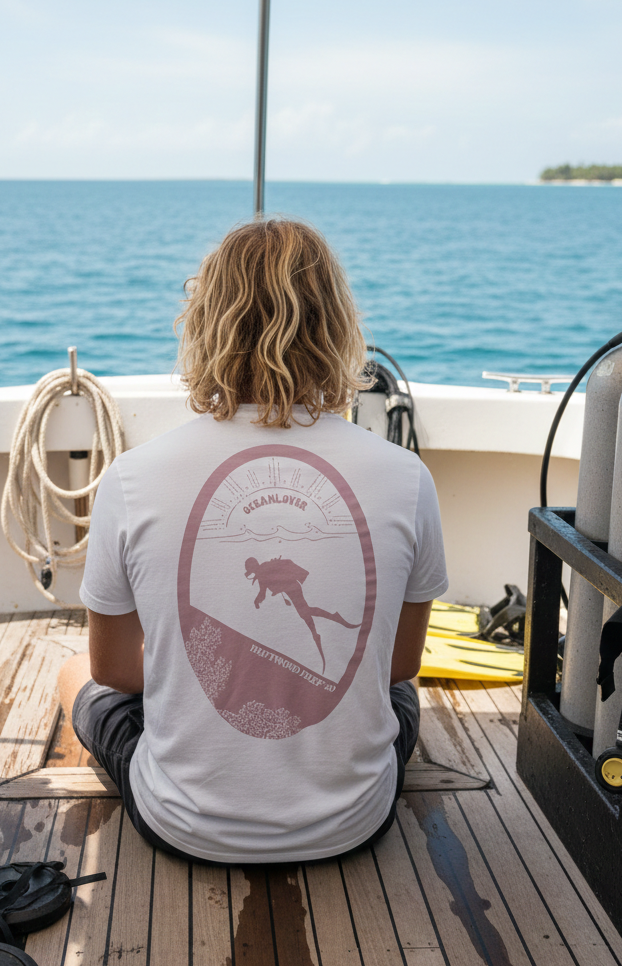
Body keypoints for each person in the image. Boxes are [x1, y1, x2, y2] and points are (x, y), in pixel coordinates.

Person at [59, 217, 447, 864]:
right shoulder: (404, 476)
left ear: (206, 322)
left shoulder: (132, 478)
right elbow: (396, 667)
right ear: (335, 326)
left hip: (183, 822)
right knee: (400, 696)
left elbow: (116, 672)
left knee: (76, 673)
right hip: (352, 820)